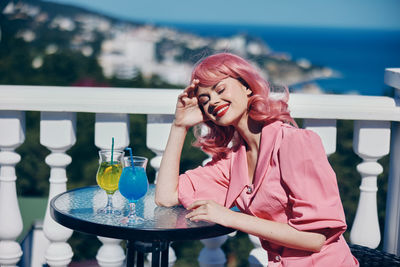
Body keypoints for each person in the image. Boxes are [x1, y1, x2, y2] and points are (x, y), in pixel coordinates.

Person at [155, 52, 359, 266]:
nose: (213, 101)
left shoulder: (293, 143)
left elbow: (316, 239)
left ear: (246, 86)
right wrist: (179, 126)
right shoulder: (232, 163)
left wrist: (230, 217)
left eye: (220, 89)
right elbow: (166, 197)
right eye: (204, 100)